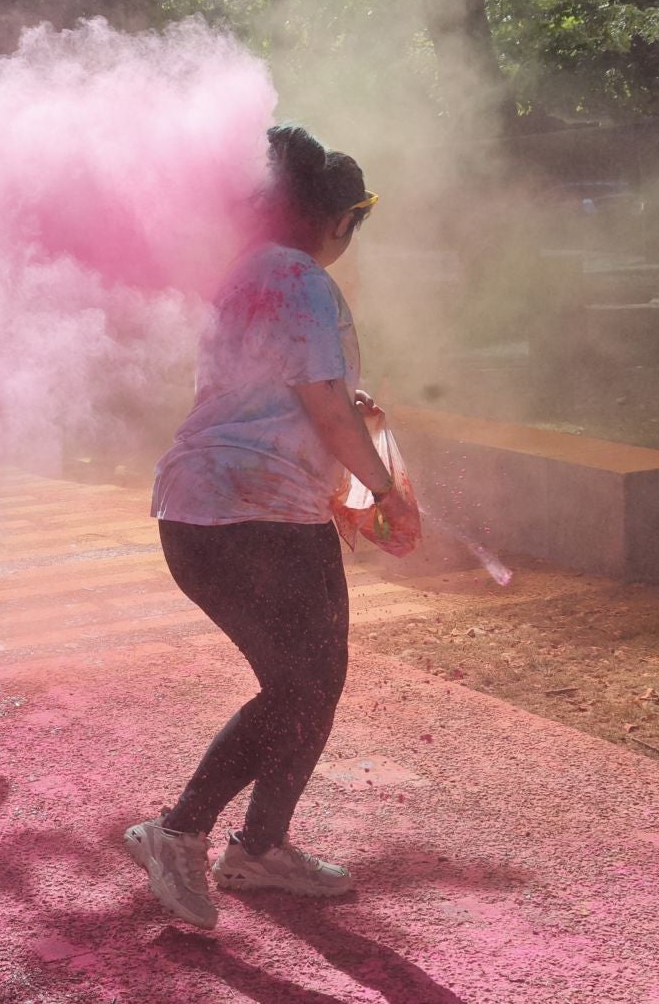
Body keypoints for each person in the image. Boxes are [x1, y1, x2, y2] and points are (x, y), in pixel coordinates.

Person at [123, 127, 418, 930]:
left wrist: (349, 447)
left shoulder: (250, 276)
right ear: (337, 220)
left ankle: (260, 847)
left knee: (314, 682)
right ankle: (178, 830)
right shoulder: (300, 280)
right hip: (241, 516)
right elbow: (321, 407)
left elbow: (292, 402)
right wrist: (389, 492)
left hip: (239, 511)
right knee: (300, 686)